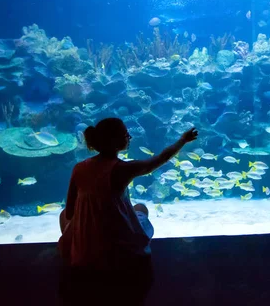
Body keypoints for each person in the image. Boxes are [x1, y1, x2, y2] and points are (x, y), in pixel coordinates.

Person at [57, 117, 198, 304]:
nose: (129, 137)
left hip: (83, 253)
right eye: (125, 134)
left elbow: (69, 211)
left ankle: (75, 252)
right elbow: (160, 159)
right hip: (118, 248)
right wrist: (183, 140)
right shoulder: (122, 169)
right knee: (141, 208)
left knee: (62, 216)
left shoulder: (79, 168)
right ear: (115, 141)